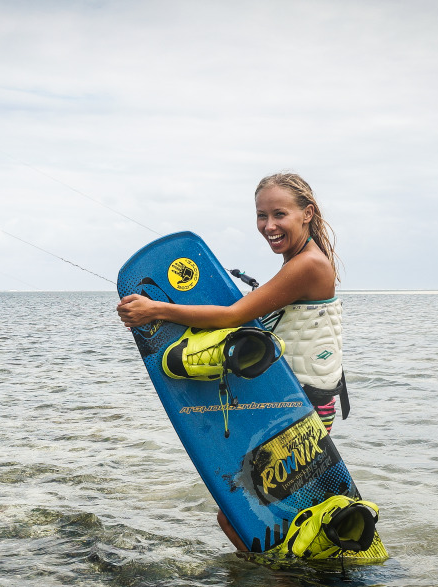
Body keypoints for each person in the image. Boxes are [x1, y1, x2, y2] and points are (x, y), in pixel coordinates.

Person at [116, 172, 347, 551]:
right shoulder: (299, 261)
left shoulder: (308, 265)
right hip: (292, 396)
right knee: (257, 510)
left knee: (242, 512)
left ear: (307, 214)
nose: (268, 226)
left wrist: (157, 309)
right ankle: (291, 585)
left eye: (279, 214)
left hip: (299, 403)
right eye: (261, 216)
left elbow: (232, 316)